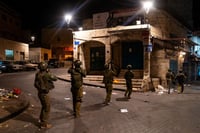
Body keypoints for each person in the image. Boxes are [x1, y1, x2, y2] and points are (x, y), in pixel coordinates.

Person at [34, 62, 57, 129]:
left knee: (44, 107)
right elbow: (55, 78)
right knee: (47, 108)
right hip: (45, 94)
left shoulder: (37, 74)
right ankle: (44, 124)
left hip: (40, 93)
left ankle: (41, 120)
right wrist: (49, 72)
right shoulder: (47, 74)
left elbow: (35, 84)